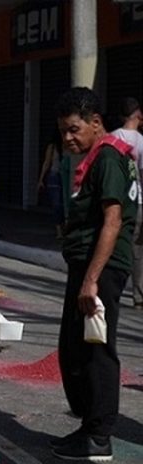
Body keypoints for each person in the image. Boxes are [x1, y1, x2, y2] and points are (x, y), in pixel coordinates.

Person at [52, 88, 139, 461]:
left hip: (99, 268)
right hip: (89, 264)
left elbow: (113, 220)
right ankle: (89, 426)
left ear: (96, 123)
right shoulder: (97, 157)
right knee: (74, 347)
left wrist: (91, 280)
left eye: (74, 129)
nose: (68, 138)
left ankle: (99, 435)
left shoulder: (107, 158)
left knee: (96, 349)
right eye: (64, 132)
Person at [109, 97, 143, 312]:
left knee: (113, 246)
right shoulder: (141, 141)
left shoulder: (111, 138)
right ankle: (139, 296)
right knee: (137, 251)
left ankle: (111, 289)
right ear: (138, 116)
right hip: (137, 201)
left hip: (114, 201)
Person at [37, 131, 66, 240]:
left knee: (65, 204)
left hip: (65, 175)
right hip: (54, 175)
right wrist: (41, 179)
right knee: (57, 204)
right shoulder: (53, 147)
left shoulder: (69, 145)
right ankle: (59, 230)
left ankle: (64, 227)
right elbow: (47, 162)